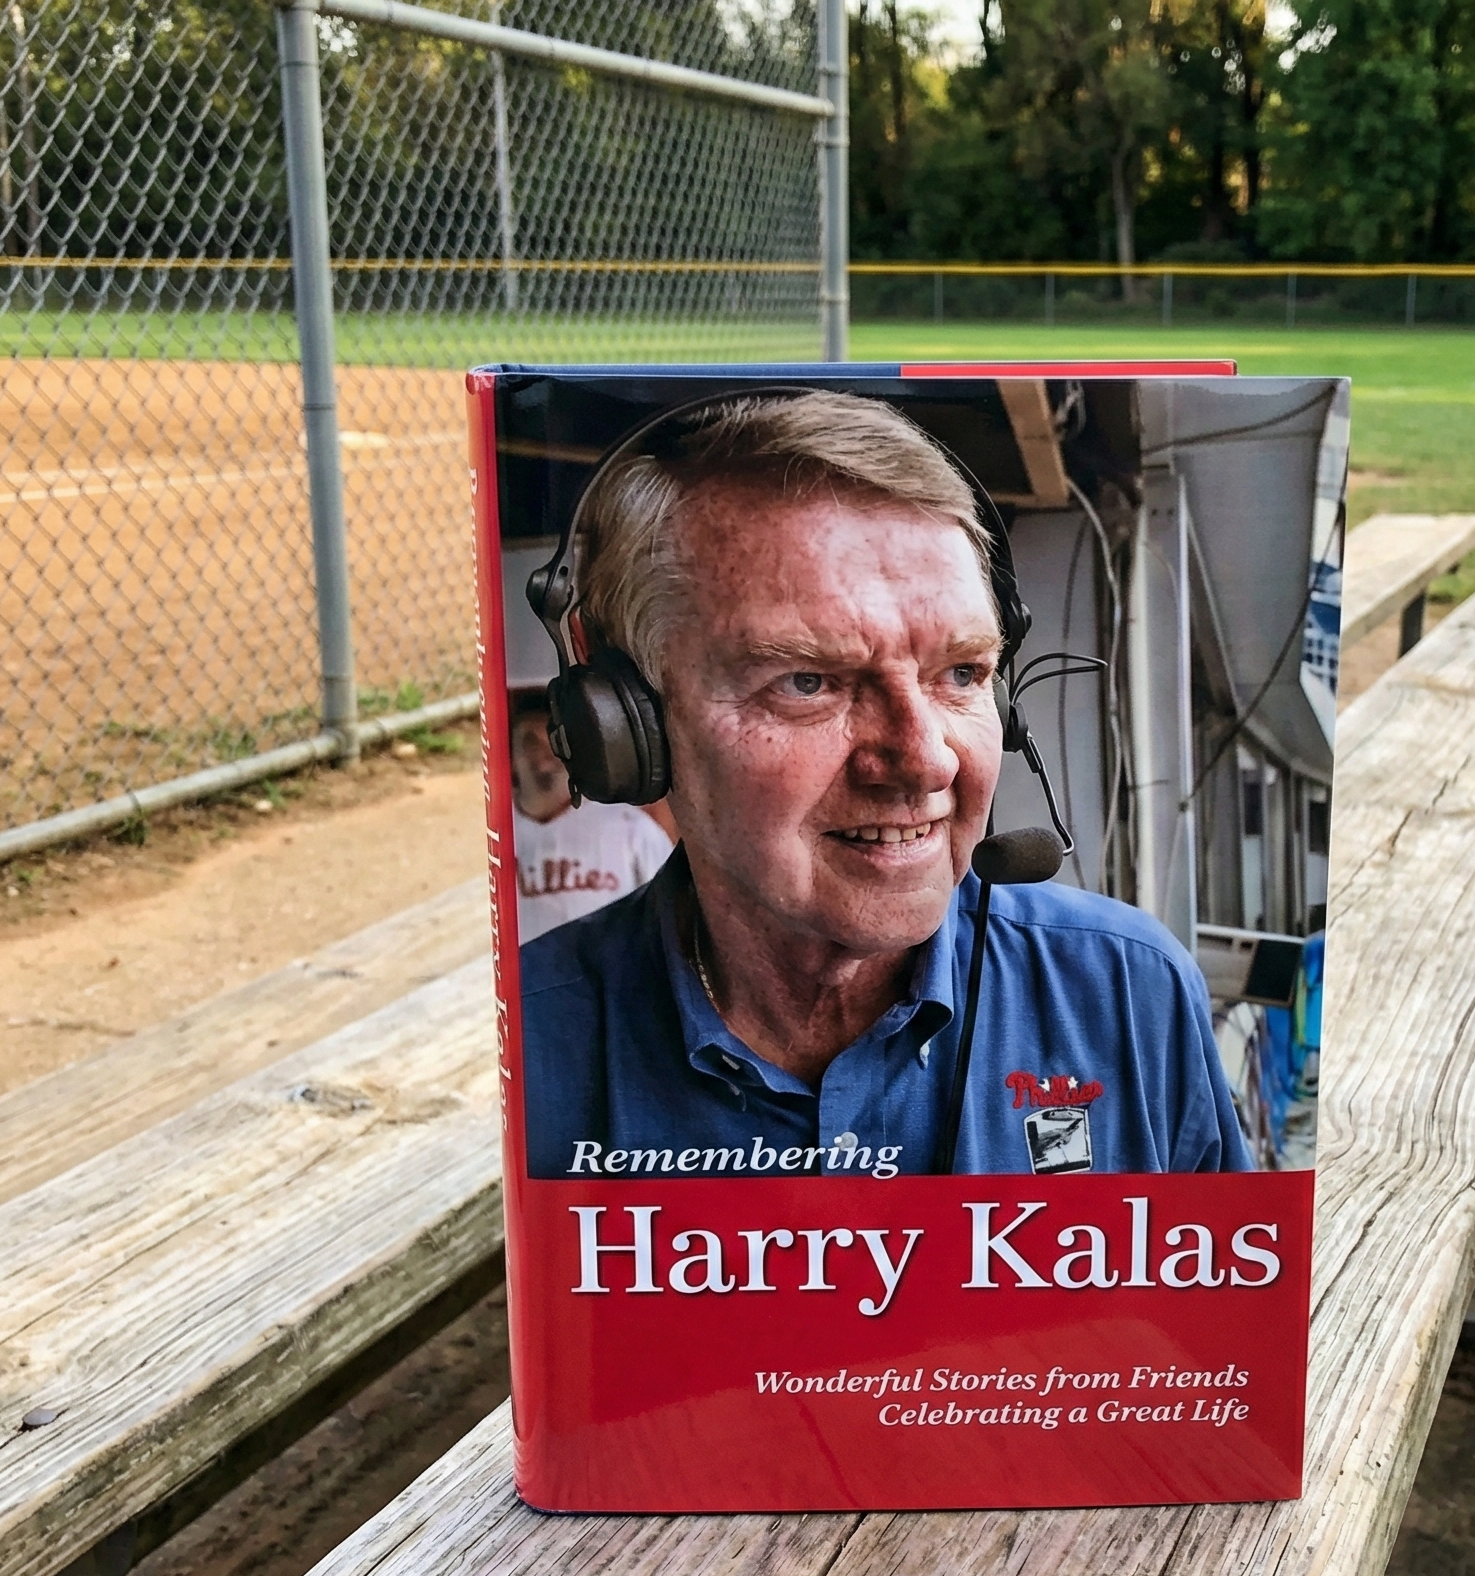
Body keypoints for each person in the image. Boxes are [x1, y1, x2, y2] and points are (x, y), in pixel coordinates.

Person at [516, 388, 1250, 1179]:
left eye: (962, 672)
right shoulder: (529, 1040)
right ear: (630, 726)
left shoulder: (1130, 994)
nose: (927, 760)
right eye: (808, 682)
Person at [507, 694, 672, 945]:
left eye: (554, 741)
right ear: (510, 758)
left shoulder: (630, 828)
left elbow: (671, 913)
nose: (543, 753)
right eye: (529, 741)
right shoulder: (493, 832)